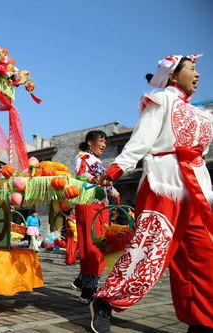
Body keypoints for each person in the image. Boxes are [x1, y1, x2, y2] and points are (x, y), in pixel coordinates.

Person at [89, 54, 212, 333]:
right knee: (149, 251)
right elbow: (142, 140)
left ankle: (201, 320)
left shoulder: (202, 114)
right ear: (172, 75)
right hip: (164, 183)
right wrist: (116, 170)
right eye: (192, 69)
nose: (197, 74)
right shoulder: (162, 100)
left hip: (196, 190)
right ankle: (106, 302)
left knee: (202, 255)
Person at [73, 131, 119, 304]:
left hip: (100, 206)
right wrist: (96, 179)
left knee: (99, 245)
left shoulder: (97, 161)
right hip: (89, 204)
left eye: (105, 141)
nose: (104, 144)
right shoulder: (83, 157)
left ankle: (82, 281)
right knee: (93, 246)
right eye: (101, 140)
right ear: (89, 142)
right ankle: (88, 290)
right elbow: (82, 175)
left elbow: (102, 182)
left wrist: (111, 189)